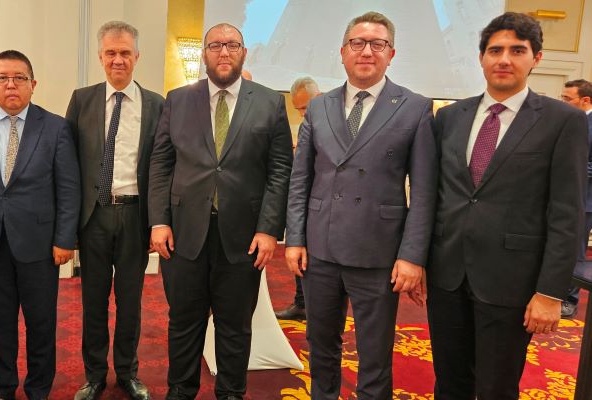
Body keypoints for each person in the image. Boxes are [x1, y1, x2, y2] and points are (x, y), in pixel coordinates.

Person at [427, 12, 588, 399]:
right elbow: (436, 195)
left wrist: (550, 292)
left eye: (517, 50)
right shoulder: (449, 117)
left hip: (512, 281)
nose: (504, 59)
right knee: (449, 382)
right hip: (447, 275)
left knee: (497, 387)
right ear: (481, 57)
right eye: (495, 50)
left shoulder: (562, 121)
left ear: (536, 58)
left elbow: (567, 213)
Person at [286, 11, 437, 399]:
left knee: (374, 355)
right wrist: (295, 238)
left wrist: (412, 256)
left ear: (391, 53)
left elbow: (424, 191)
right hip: (320, 248)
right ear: (342, 52)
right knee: (321, 346)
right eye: (357, 43)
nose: (366, 51)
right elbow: (301, 179)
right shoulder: (319, 107)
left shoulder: (415, 107)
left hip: (378, 252)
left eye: (377, 44)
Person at [149, 22, 293, 400]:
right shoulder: (178, 99)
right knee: (184, 322)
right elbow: (161, 164)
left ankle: (231, 393)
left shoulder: (269, 102)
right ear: (204, 54)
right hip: (184, 235)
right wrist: (159, 221)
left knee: (235, 326)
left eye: (232, 45)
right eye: (215, 45)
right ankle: (180, 391)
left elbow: (280, 170)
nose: (224, 52)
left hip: (244, 237)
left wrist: (269, 229)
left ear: (244, 52)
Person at [0, 50, 80, 400]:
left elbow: (68, 188)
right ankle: (3, 386)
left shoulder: (55, 127)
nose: (11, 84)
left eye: (19, 78)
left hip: (40, 245)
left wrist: (65, 239)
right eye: (3, 78)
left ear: (33, 84)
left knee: (41, 324)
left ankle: (38, 389)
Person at [65, 21, 164, 400]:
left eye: (125, 53)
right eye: (111, 53)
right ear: (100, 57)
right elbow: (68, 165)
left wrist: (159, 221)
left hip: (136, 217)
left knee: (130, 302)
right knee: (93, 302)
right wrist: (69, 224)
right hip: (94, 218)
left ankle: (127, 372)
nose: (118, 59)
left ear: (137, 56)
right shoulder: (82, 99)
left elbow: (163, 167)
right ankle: (94, 376)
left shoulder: (156, 104)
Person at [275, 76, 321, 321]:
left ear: (318, 97)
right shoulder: (306, 125)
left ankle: (308, 304)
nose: (302, 113)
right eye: (298, 109)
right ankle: (302, 303)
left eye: (305, 107)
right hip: (304, 201)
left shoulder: (331, 119)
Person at [559, 79, 592, 319]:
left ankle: (569, 300)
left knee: (575, 251)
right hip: (563, 198)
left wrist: (572, 169)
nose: (562, 102)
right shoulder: (568, 120)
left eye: (567, 99)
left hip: (585, 200)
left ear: (585, 100)